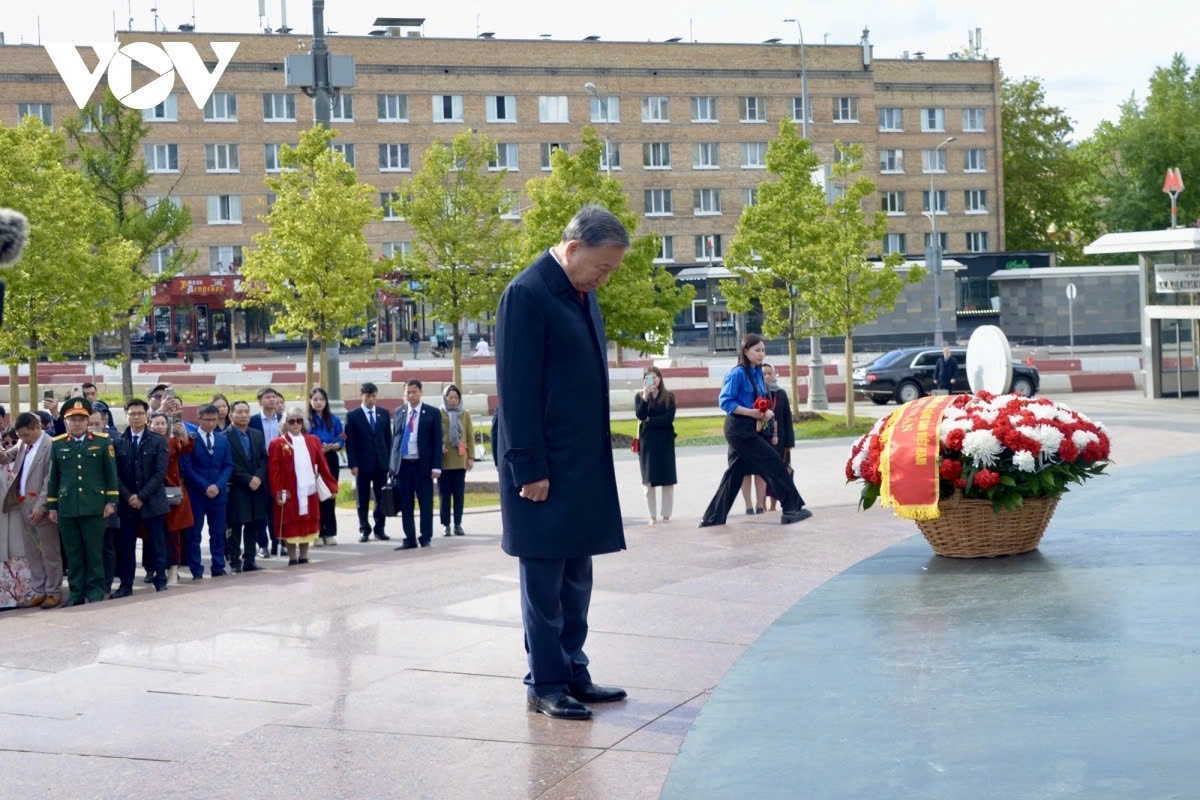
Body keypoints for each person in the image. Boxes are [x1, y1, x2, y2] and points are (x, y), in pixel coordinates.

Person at [495, 204, 631, 721]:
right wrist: (528, 468)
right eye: (602, 267)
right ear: (573, 249)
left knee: (576, 580)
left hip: (579, 466)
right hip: (542, 469)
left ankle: (574, 671)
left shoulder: (580, 292)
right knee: (544, 584)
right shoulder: (527, 295)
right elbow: (517, 390)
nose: (604, 279)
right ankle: (546, 683)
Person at [700, 334, 813, 529]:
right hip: (738, 428)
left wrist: (765, 413)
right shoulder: (737, 373)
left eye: (763, 350)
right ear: (745, 351)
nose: (761, 354)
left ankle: (712, 518)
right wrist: (752, 413)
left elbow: (761, 399)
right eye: (757, 350)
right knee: (773, 462)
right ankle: (791, 508)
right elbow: (725, 402)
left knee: (735, 473)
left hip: (752, 425)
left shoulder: (758, 373)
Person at [46, 397, 119, 606]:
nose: (77, 423)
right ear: (65, 422)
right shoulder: (58, 444)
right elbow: (53, 477)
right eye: (72, 419)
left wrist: (111, 501)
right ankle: (76, 593)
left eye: (81, 419)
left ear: (87, 421)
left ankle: (95, 592)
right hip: (67, 506)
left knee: (94, 552)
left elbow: (110, 474)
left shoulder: (102, 441)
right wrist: (52, 506)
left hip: (94, 505)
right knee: (73, 554)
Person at [1, 412, 62, 608]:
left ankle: (54, 591)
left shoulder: (50, 445)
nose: (23, 439)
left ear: (38, 427)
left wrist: (41, 504)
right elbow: (6, 458)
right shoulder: (22, 443)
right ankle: (39, 591)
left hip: (40, 506)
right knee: (32, 551)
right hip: (22, 504)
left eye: (26, 435)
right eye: (20, 435)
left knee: (49, 551)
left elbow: (50, 479)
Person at [267, 408, 337, 566]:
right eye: (291, 421)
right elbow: (274, 471)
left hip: (309, 490)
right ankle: (292, 558)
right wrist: (278, 492)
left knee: (307, 524)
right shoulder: (277, 443)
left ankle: (304, 556)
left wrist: (331, 486)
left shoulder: (313, 441)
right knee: (291, 525)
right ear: (285, 424)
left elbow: (323, 465)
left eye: (299, 421)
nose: (295, 424)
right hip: (289, 492)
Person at [113, 399, 169, 596]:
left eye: (140, 413)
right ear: (126, 415)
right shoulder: (118, 441)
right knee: (126, 546)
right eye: (132, 413)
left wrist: (141, 496)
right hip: (127, 503)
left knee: (157, 544)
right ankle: (126, 584)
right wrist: (129, 496)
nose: (136, 417)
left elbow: (160, 473)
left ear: (146, 416)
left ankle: (160, 580)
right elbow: (114, 474)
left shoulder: (158, 440)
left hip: (152, 500)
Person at [180, 404, 233, 580]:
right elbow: (187, 467)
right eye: (207, 420)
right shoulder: (191, 439)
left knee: (218, 533)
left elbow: (228, 465)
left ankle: (218, 566)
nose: (211, 423)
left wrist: (218, 485)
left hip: (218, 494)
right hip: (197, 494)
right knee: (194, 534)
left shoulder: (222, 439)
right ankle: (196, 569)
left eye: (214, 420)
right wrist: (205, 486)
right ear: (199, 419)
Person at [389, 379, 442, 549]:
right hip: (403, 465)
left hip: (422, 465)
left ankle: (425, 537)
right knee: (406, 504)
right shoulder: (399, 412)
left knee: (425, 503)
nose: (410, 395)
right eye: (408, 392)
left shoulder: (432, 413)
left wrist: (436, 466)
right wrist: (392, 465)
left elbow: (437, 441)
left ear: (421, 392)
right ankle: (409, 538)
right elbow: (395, 439)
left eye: (414, 391)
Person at [344, 382, 392, 543]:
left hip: (381, 463)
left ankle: (380, 529)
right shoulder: (353, 416)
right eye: (367, 396)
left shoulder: (383, 413)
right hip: (362, 465)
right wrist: (353, 464)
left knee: (381, 497)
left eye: (373, 396)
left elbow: (388, 439)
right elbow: (350, 443)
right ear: (361, 396)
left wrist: (389, 461)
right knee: (362, 498)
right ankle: (364, 529)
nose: (370, 399)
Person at [225, 400, 268, 573]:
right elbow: (228, 463)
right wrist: (248, 478)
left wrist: (258, 477)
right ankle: (235, 562)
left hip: (256, 487)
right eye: (239, 412)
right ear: (231, 415)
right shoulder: (224, 436)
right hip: (237, 487)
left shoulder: (257, 434)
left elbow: (263, 459)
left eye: (246, 412)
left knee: (253, 525)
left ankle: (250, 560)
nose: (244, 415)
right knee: (235, 527)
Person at [150, 412, 192, 585]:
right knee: (152, 534)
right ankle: (154, 568)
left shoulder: (173, 441)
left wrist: (183, 434)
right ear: (150, 425)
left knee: (173, 533)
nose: (160, 426)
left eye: (163, 423)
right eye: (156, 423)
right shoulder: (146, 441)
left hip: (171, 491)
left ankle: (173, 569)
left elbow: (186, 447)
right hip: (150, 492)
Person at [634, 366, 678, 525]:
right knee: (648, 481)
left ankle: (666, 514)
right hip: (647, 444)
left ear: (660, 378)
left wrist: (650, 420)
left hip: (665, 442)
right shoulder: (640, 396)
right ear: (645, 380)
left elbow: (668, 419)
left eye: (655, 377)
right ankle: (652, 516)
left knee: (667, 479)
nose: (653, 380)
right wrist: (645, 397)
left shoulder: (669, 396)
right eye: (649, 378)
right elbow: (640, 415)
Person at [0, 422, 33, 609]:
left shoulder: (21, 456)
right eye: (6, 442)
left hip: (17, 514)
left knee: (18, 554)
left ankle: (23, 595)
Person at [250, 387, 284, 555]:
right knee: (261, 508)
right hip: (260, 468)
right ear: (260, 401)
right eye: (268, 397)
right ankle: (262, 544)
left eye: (274, 397)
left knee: (278, 505)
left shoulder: (284, 419)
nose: (272, 400)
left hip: (280, 468)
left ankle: (279, 542)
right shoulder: (253, 421)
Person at [307, 387, 344, 546]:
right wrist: (316, 448)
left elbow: (341, 438)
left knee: (329, 494)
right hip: (313, 460)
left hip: (330, 458)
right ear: (310, 401)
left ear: (326, 401)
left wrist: (333, 446)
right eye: (315, 399)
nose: (318, 402)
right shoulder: (307, 420)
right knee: (315, 497)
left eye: (321, 399)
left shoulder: (334, 419)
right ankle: (317, 533)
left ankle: (329, 533)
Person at [437, 384, 473, 538]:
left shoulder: (465, 414)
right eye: (450, 397)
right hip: (444, 461)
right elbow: (434, 434)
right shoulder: (439, 413)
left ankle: (458, 524)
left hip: (460, 460)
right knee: (444, 495)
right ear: (445, 398)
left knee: (459, 495)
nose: (453, 400)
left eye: (456, 398)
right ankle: (446, 525)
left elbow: (469, 436)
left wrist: (470, 457)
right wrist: (439, 445)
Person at [761, 363, 796, 513]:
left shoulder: (781, 394)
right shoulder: (758, 393)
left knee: (779, 472)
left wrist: (789, 443)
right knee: (763, 474)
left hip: (780, 441)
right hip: (762, 440)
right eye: (763, 374)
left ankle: (773, 506)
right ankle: (761, 505)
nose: (767, 376)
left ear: (775, 375)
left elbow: (787, 419)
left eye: (770, 373)